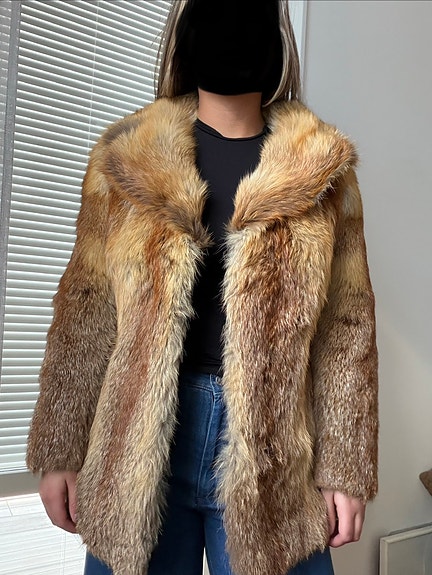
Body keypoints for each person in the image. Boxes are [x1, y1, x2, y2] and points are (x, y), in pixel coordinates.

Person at [26, 1, 378, 574]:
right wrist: (60, 448)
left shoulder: (322, 171)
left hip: (274, 449)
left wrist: (346, 467)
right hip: (137, 444)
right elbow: (85, 310)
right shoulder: (126, 159)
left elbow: (347, 326)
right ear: (186, 32)